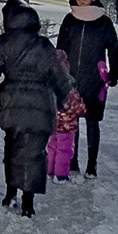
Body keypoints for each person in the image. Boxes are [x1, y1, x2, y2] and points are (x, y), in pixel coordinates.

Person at [0, 0, 73, 217]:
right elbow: (59, 77)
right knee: (35, 152)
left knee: (13, 147)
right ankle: (28, 202)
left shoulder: (5, 42)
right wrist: (63, 98)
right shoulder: (43, 45)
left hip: (12, 104)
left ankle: (10, 192)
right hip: (41, 104)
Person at [54, 0, 118, 177]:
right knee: (71, 122)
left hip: (95, 80)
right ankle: (73, 161)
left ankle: (92, 165)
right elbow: (60, 49)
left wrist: (113, 73)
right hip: (70, 80)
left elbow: (114, 49)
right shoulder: (69, 19)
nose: (80, 2)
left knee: (92, 121)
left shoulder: (103, 22)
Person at [46, 48, 84, 181]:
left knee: (52, 147)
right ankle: (61, 175)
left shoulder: (48, 88)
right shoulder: (69, 89)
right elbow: (78, 107)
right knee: (64, 151)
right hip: (67, 128)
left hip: (53, 125)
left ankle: (50, 170)